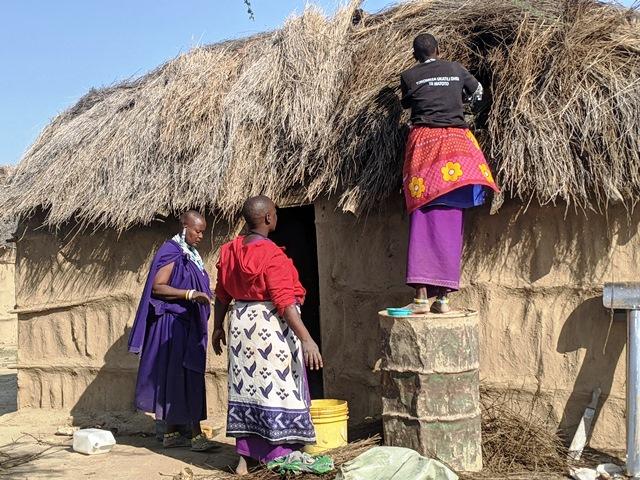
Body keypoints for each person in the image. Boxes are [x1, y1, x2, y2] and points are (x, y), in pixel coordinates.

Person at [212, 195, 323, 475]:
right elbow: (285, 303)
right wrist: (306, 338)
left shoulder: (229, 252)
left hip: (241, 329)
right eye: (275, 213)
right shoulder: (272, 256)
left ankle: (245, 458)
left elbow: (222, 295)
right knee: (279, 389)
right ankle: (279, 453)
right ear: (268, 218)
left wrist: (217, 327)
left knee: (247, 389)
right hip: (271, 329)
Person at [400, 33, 500, 314]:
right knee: (452, 218)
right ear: (438, 49)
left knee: (421, 213)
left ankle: (421, 297)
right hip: (457, 147)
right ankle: (443, 299)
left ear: (415, 54)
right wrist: (464, 104)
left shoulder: (408, 76)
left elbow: (406, 103)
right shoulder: (456, 69)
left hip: (424, 146)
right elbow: (479, 94)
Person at [128, 210, 217, 451]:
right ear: (185, 227)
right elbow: (158, 287)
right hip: (172, 325)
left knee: (177, 376)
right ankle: (196, 436)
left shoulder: (191, 254)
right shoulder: (171, 251)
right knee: (185, 374)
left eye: (203, 232)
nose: (201, 236)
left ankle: (171, 433)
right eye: (197, 231)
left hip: (186, 323)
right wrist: (189, 294)